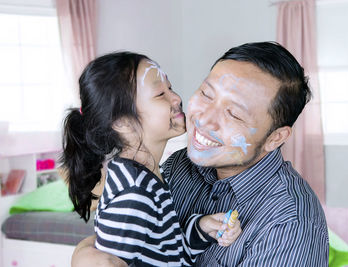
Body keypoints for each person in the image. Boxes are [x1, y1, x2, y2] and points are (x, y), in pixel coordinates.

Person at [72, 42, 329, 266]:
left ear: (275, 138)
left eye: (234, 113)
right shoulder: (177, 166)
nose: (203, 118)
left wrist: (86, 254)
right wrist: (84, 255)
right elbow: (154, 245)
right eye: (206, 94)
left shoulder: (289, 226)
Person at [61, 52, 241, 267]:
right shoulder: (134, 193)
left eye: (170, 88)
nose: (176, 98)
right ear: (122, 123)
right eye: (160, 94)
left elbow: (166, 251)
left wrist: (201, 228)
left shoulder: (147, 175)